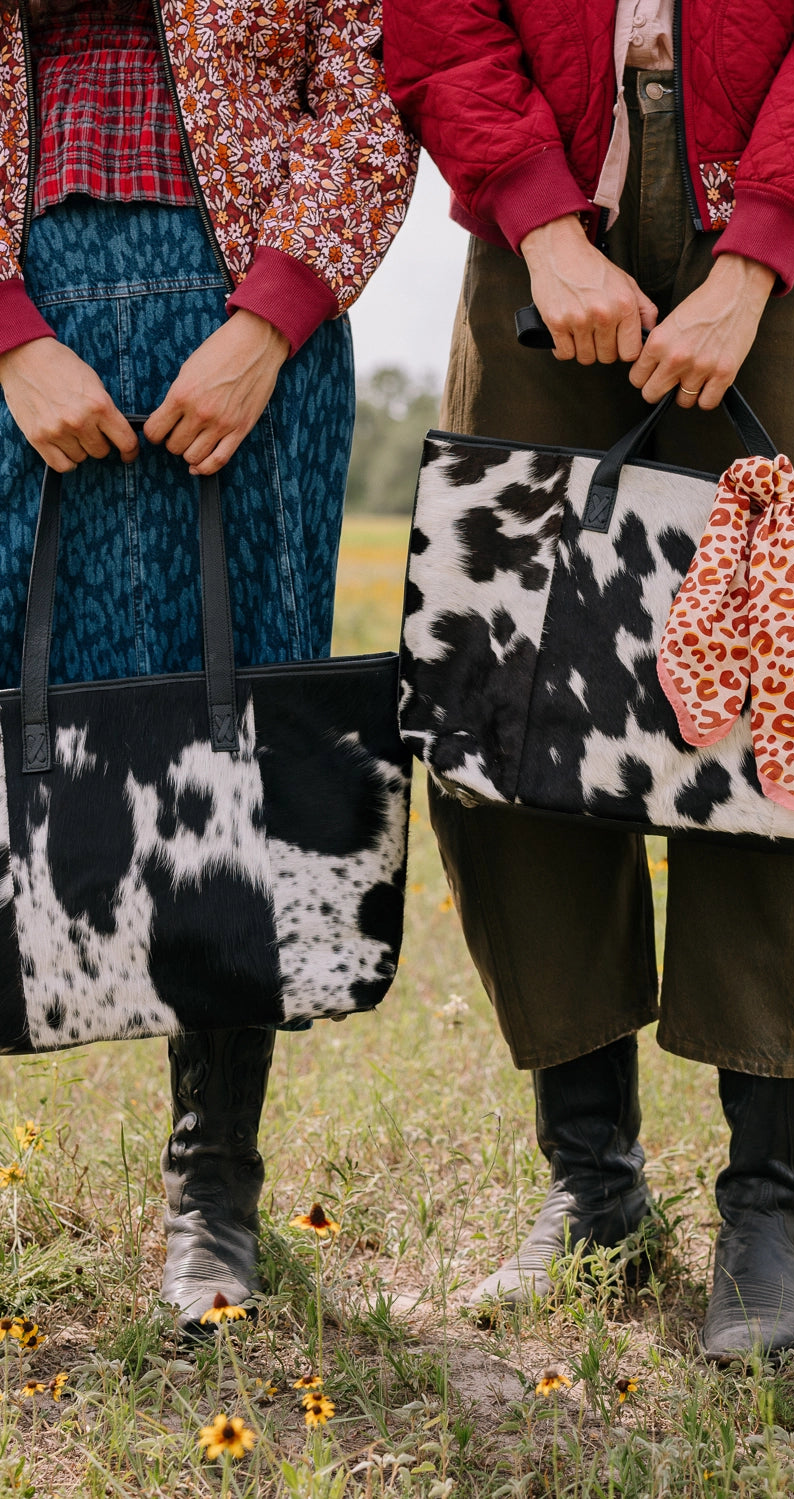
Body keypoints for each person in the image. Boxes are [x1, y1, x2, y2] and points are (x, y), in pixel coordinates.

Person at [383, 0, 794, 1356]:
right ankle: (596, 1187)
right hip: (538, 224)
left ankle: (766, 1210)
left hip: (770, 222)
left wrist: (757, 263)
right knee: (509, 700)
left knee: (780, 708)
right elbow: (440, 22)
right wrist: (545, 229)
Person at [0, 0, 415, 1334]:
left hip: (252, 331)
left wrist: (273, 319)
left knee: (231, 764)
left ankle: (213, 1195)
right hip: (16, 330)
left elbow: (366, 72)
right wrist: (11, 328)